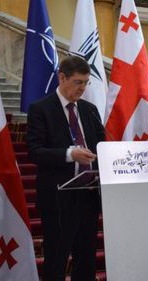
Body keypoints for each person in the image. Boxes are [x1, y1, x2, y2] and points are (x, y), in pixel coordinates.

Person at [26, 56, 105, 281]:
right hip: (58, 199)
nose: (82, 88)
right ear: (62, 77)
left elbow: (102, 145)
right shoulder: (41, 109)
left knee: (87, 259)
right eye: (78, 82)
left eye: (86, 83)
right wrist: (70, 154)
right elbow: (35, 151)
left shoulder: (89, 110)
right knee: (57, 260)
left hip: (88, 197)